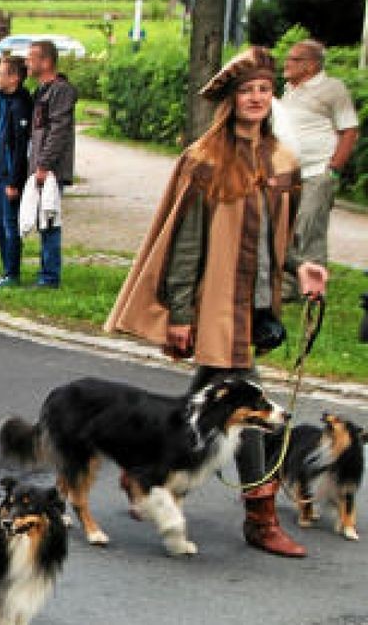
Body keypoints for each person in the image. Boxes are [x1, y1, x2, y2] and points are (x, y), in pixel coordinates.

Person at [106, 47, 330, 558]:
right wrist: (181, 316)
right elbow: (184, 246)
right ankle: (260, 515)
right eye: (247, 90)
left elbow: (282, 239)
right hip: (214, 306)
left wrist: (301, 267)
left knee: (205, 401)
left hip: (255, 304)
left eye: (264, 90)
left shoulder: (282, 160)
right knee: (248, 407)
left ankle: (144, 472)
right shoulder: (205, 160)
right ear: (231, 99)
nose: (256, 98)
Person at [280, 39, 360, 300]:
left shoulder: (332, 88)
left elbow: (349, 130)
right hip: (288, 172)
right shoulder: (289, 89)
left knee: (309, 227)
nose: (286, 63)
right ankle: (290, 285)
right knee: (287, 225)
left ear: (311, 65)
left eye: (293, 59)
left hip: (317, 171)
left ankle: (312, 288)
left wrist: (334, 168)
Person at [26, 40, 77, 288]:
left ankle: (50, 276)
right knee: (41, 220)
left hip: (52, 169)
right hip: (39, 166)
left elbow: (58, 130)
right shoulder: (41, 90)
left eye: (31, 58)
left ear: (46, 61)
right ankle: (44, 271)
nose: (27, 62)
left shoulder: (60, 91)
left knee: (50, 219)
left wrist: (44, 165)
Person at [0, 56, 33, 288]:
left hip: (10, 175)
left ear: (14, 77)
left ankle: (12, 272)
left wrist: (15, 181)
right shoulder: (4, 101)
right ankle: (6, 269)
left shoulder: (19, 105)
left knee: (9, 223)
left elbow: (19, 148)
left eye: (1, 72)